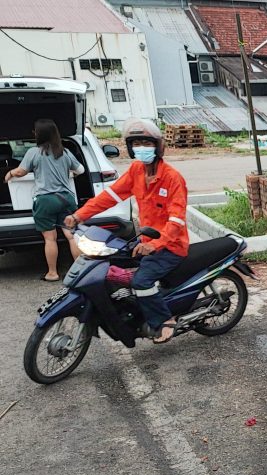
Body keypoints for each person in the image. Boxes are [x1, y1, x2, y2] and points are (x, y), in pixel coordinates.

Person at [64, 119, 188, 344]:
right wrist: (79, 215)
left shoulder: (172, 178)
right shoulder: (136, 171)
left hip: (170, 246)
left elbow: (176, 220)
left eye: (146, 142)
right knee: (113, 268)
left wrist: (155, 245)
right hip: (145, 241)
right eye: (137, 143)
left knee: (141, 281)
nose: (141, 147)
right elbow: (109, 197)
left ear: (158, 146)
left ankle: (163, 320)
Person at [4, 119, 83, 281]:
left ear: (39, 134)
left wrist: (10, 174)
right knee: (71, 235)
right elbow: (80, 170)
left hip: (45, 201)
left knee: (50, 238)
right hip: (66, 199)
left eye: (35, 131)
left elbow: (21, 172)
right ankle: (80, 272)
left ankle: (52, 273)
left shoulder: (34, 152)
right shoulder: (65, 152)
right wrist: (69, 173)